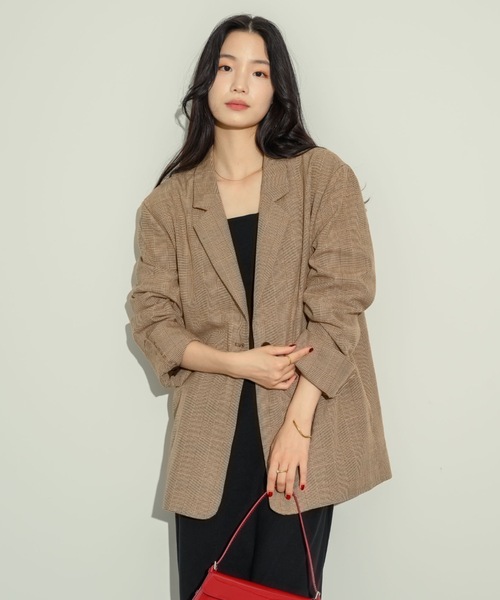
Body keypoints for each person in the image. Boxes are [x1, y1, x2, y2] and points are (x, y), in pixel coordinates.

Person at [129, 14, 391, 600]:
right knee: (207, 590)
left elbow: (342, 300)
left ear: (278, 88)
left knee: (285, 592)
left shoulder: (322, 177)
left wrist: (298, 425)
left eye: (258, 71)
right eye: (227, 67)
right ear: (206, 81)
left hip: (304, 428)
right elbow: (152, 318)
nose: (240, 83)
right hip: (209, 441)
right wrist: (234, 363)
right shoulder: (168, 205)